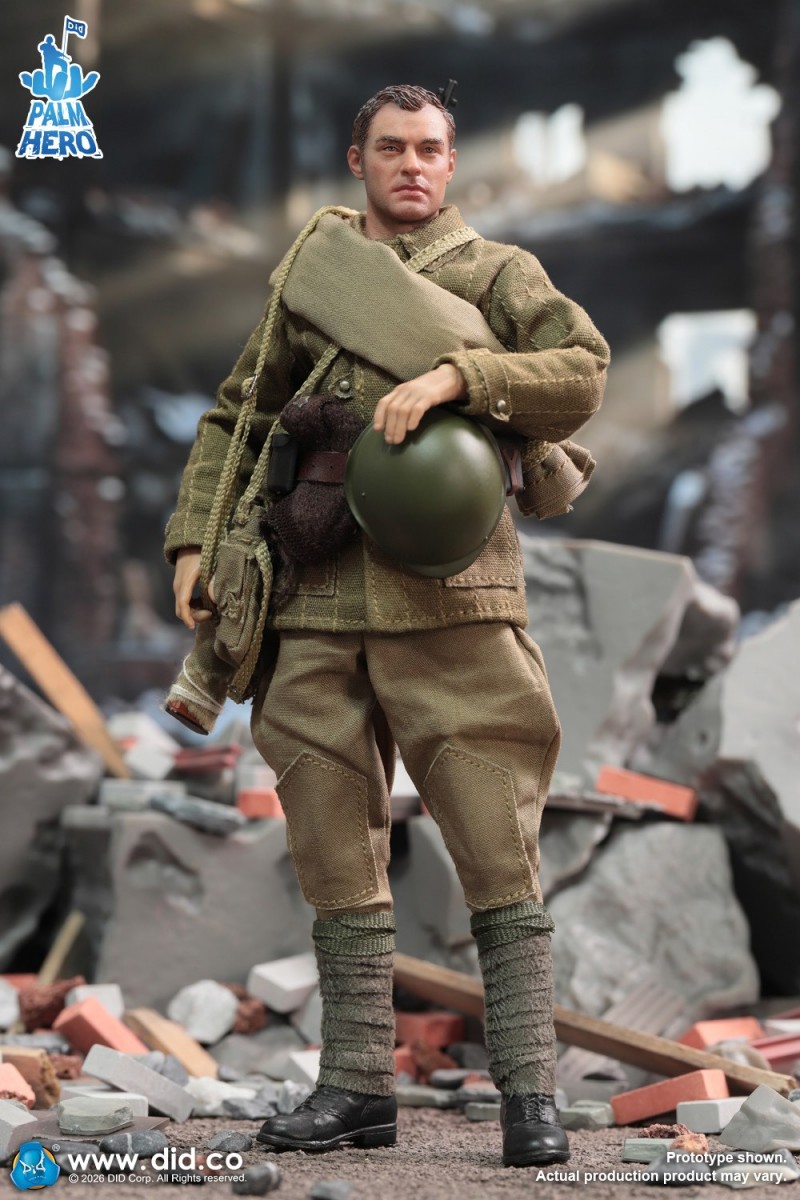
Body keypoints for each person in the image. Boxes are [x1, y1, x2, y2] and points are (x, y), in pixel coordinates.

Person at [164, 84, 610, 1169]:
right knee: (330, 845)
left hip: (452, 602)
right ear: (357, 161)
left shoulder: (496, 276)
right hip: (314, 595)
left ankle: (528, 1090)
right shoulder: (311, 279)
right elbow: (238, 414)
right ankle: (356, 1085)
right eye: (391, 147)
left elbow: (580, 372)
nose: (411, 164)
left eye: (429, 148)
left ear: (451, 164)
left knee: (496, 842)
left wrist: (462, 375)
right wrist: (193, 542)